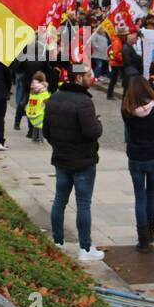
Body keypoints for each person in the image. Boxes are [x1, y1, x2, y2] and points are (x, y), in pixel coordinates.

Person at [44, 63, 104, 262]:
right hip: (83, 161)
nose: (91, 78)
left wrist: (60, 146)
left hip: (61, 159)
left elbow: (47, 131)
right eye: (87, 75)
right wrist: (98, 123)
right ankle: (85, 248)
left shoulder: (54, 98)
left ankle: (58, 241)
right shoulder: (84, 102)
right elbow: (91, 132)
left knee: (60, 200)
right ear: (78, 78)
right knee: (83, 203)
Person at [121, 76, 154, 251]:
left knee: (139, 196)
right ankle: (150, 230)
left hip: (135, 157)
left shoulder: (127, 109)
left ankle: (142, 240)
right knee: (151, 194)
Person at [25, 70, 51, 142]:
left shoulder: (32, 89)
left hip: (32, 110)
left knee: (35, 126)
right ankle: (41, 139)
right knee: (41, 126)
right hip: (40, 111)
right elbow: (47, 100)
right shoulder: (43, 89)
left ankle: (34, 138)